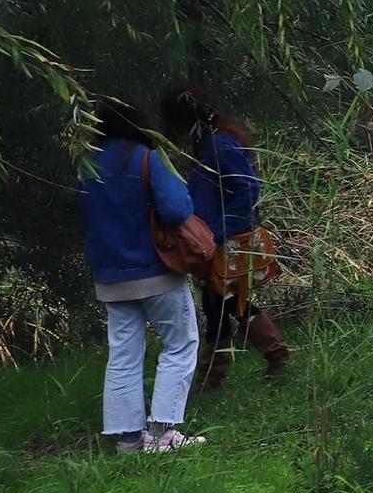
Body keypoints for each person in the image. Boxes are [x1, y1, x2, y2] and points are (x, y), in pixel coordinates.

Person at [78, 94, 210, 453]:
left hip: (111, 277)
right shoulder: (147, 159)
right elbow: (177, 208)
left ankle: (129, 439)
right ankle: (164, 433)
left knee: (123, 354)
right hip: (157, 272)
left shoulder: (86, 167)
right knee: (180, 345)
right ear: (137, 123)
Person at [161, 86, 288, 391]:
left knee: (220, 305)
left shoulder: (219, 145)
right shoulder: (210, 144)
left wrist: (220, 233)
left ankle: (213, 375)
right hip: (216, 240)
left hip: (225, 241)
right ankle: (273, 356)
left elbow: (247, 188)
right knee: (229, 304)